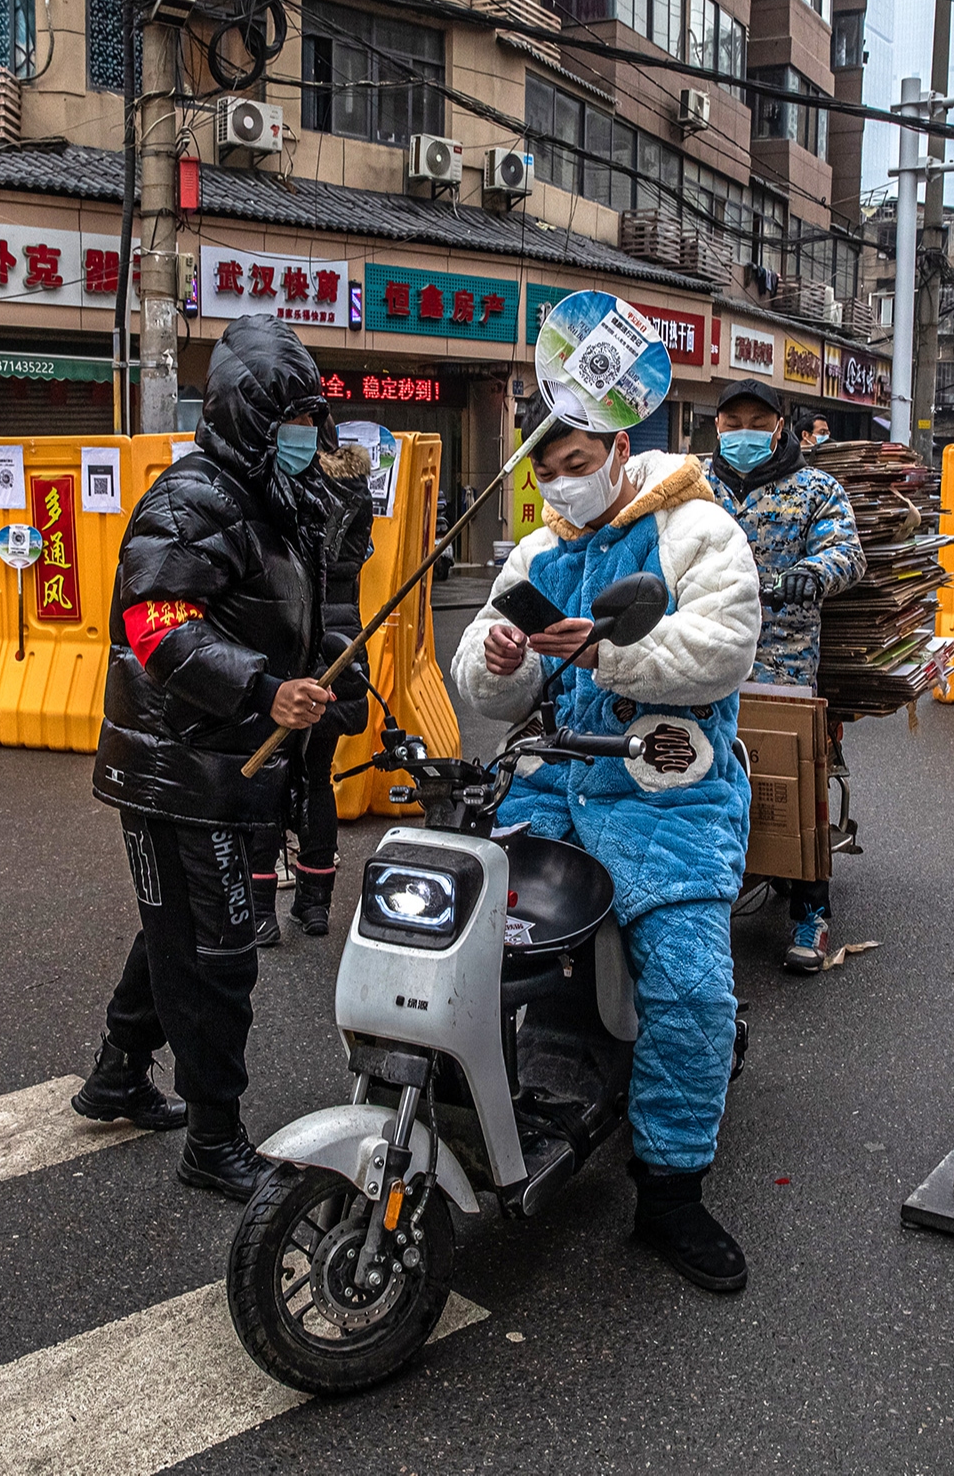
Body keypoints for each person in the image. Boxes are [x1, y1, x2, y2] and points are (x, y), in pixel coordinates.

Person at [451, 403, 761, 1293]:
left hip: (667, 791)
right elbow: (483, 676)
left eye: (575, 461)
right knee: (465, 932)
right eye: (544, 472)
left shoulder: (696, 526)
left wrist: (597, 652)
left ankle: (670, 1191)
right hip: (553, 781)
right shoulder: (538, 551)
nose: (559, 484)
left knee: (692, 986)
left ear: (621, 450)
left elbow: (723, 651)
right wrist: (502, 658)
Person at [71, 314, 341, 1203]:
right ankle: (215, 1138)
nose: (307, 434)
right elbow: (156, 625)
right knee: (213, 951)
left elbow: (288, 606)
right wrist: (264, 690)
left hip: (226, 760)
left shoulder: (273, 493)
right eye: (292, 417)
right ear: (249, 416)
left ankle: (118, 1072)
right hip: (181, 768)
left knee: (174, 933)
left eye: (312, 417)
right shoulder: (191, 499)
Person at [704, 378, 866, 973]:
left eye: (757, 420)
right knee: (700, 778)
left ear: (778, 427)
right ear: (716, 426)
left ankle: (811, 911)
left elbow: (847, 552)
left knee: (795, 788)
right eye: (732, 420)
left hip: (782, 664)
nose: (743, 431)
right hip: (700, 660)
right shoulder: (692, 485)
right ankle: (705, 896)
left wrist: (812, 571)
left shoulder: (815, 490)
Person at [253, 433, 375, 944]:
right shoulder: (359, 498)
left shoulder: (300, 495)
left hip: (296, 643)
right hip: (343, 643)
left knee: (267, 784)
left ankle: (259, 910)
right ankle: (315, 904)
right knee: (317, 777)